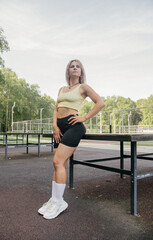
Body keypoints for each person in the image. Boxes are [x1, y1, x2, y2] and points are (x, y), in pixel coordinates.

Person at [38, 59, 105, 219]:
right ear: (68, 71)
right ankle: (54, 200)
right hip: (59, 129)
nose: (74, 68)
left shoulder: (83, 87)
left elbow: (100, 103)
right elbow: (56, 109)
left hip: (74, 126)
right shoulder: (62, 89)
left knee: (57, 162)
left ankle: (58, 201)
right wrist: (54, 126)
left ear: (81, 72)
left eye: (77, 67)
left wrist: (85, 117)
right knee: (58, 164)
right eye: (71, 66)